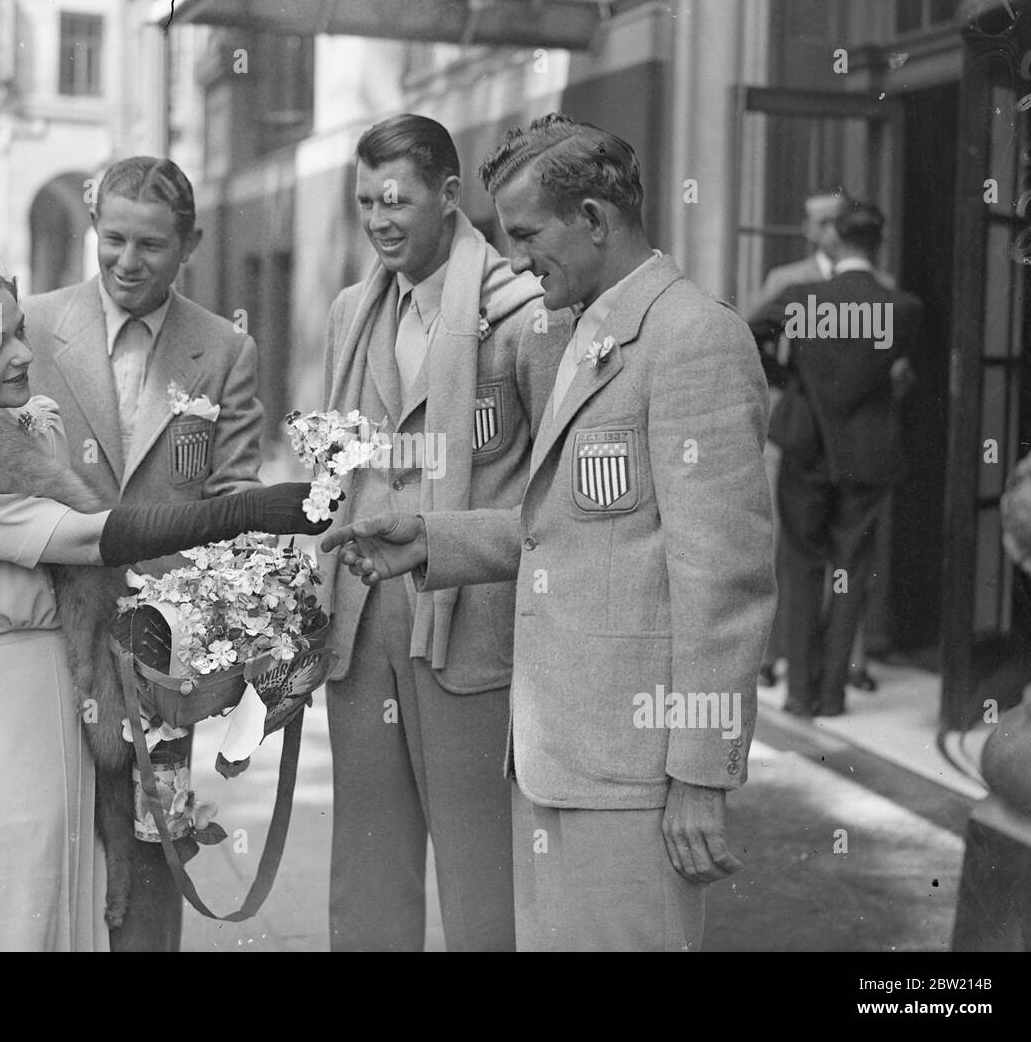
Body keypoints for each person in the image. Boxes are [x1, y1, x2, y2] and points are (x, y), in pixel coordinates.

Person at [321, 114, 776, 951]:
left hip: (635, 769)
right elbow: (557, 530)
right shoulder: (573, 334)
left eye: (528, 235)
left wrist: (702, 779)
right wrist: (430, 538)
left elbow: (725, 583)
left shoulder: (694, 338)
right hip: (555, 755)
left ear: (595, 220)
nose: (517, 261)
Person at [0, 262, 324, 952]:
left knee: (68, 915)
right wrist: (248, 511)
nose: (23, 355)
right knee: (8, 916)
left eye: (18, 331)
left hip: (56, 707)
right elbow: (90, 538)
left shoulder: (10, 437)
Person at [321, 114, 568, 952]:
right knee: (367, 878)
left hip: (471, 631)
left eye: (397, 199)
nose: (380, 220)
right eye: (365, 201)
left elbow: (555, 507)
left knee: (481, 887)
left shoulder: (524, 314)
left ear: (451, 196)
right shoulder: (352, 313)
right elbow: (335, 476)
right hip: (360, 628)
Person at [24, 155, 263, 952]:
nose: (128, 262)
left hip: (165, 649)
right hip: (48, 631)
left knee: (157, 841)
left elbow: (234, 496)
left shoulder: (224, 349)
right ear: (94, 230)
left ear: (188, 244)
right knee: (52, 843)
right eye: (114, 239)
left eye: (152, 246)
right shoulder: (33, 327)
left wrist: (220, 640)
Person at [749, 201, 919, 717]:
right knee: (852, 569)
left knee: (800, 566)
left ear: (836, 240)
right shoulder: (904, 308)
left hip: (805, 445)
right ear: (876, 245)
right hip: (867, 454)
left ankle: (801, 694)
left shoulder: (801, 298)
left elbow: (748, 335)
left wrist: (788, 384)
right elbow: (901, 375)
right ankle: (832, 695)